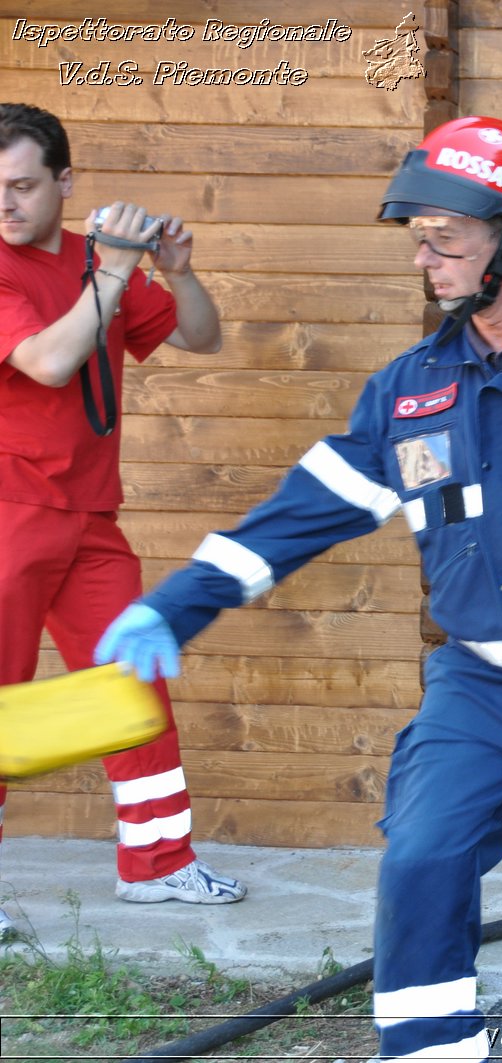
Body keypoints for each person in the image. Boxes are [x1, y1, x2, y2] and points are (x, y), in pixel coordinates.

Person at [95, 115, 502, 1058]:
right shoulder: (412, 388)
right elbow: (304, 512)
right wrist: (183, 598)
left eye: (445, 236)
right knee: (421, 858)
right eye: (419, 236)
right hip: (477, 688)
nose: (425, 256)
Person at [0, 102, 244, 934]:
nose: (6, 204)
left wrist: (174, 269)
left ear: (64, 183)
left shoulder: (90, 260)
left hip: (90, 514)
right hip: (9, 511)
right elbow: (49, 359)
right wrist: (111, 267)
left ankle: (159, 863)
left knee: (129, 681)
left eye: (23, 186)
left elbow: (202, 339)